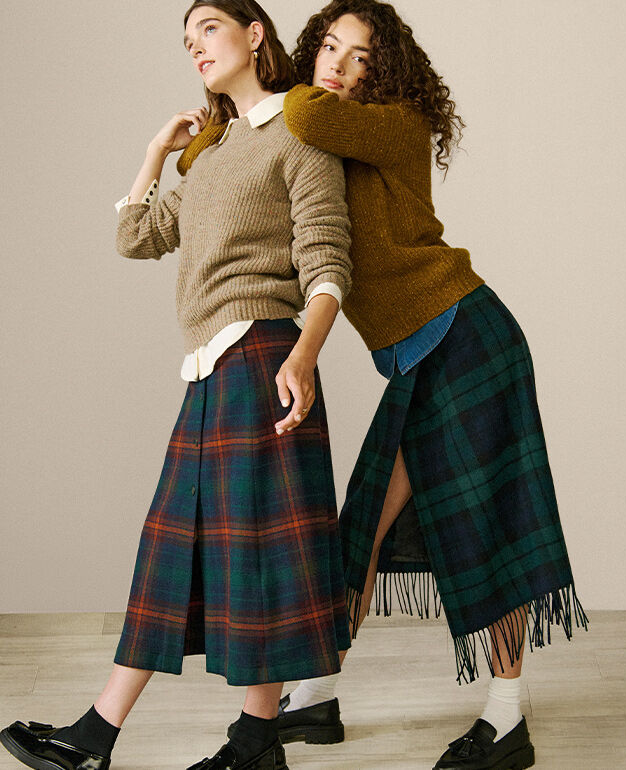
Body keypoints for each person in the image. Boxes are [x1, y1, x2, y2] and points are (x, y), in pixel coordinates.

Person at [179, 1, 589, 768]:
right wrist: (205, 135)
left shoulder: (389, 125)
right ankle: (316, 694)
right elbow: (230, 168)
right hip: (423, 353)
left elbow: (295, 107)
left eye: (359, 55)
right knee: (360, 531)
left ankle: (507, 720)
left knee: (487, 523)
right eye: (329, 46)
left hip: (468, 337)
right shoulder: (324, 140)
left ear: (386, 70)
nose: (337, 63)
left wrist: (284, 83)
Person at [0, 2, 353, 770]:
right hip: (210, 372)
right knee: (175, 550)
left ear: (254, 35)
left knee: (257, 560)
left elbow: (327, 264)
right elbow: (135, 236)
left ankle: (213, 739)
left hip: (262, 356)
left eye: (209, 31)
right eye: (186, 41)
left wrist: (303, 358)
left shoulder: (302, 135)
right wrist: (159, 149)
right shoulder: (211, 152)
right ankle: (115, 734)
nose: (195, 47)